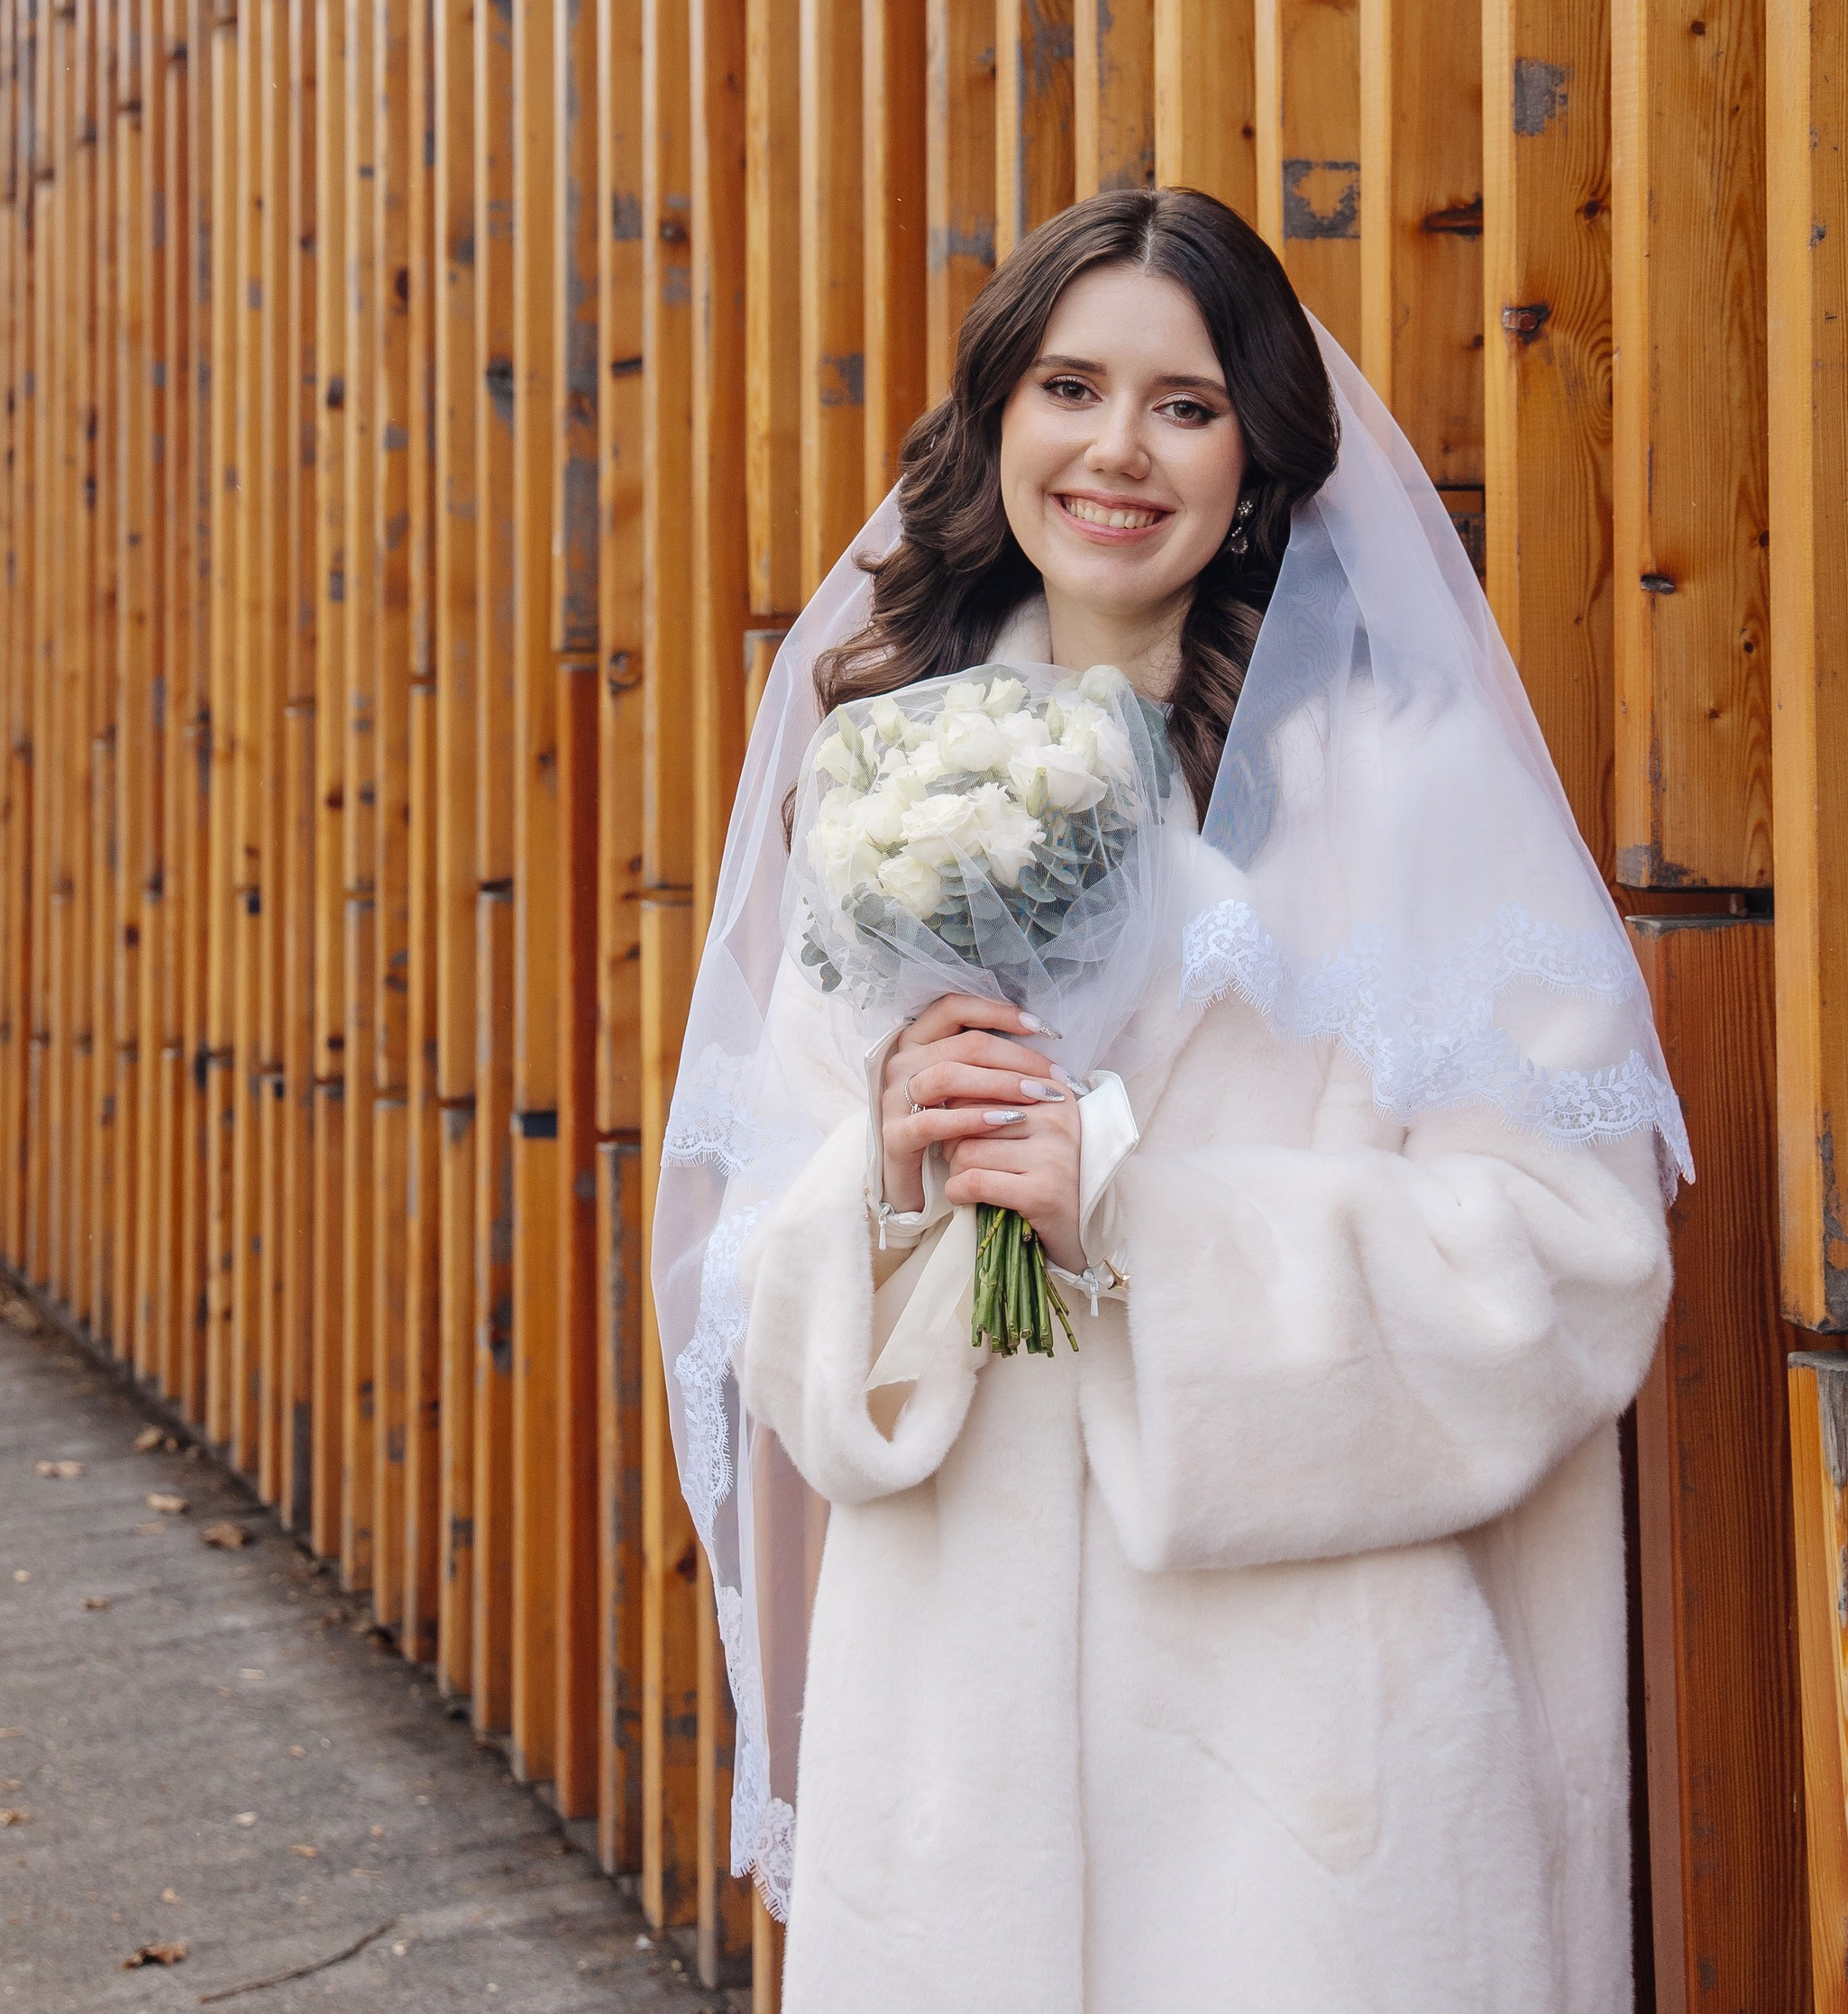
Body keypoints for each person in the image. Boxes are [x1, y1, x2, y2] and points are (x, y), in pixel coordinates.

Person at [654, 188, 1682, 2014]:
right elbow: (753, 1287)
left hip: (1305, 1779)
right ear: (995, 422)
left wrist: (1141, 1233)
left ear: (1256, 452)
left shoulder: (1400, 777)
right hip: (956, 1755)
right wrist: (888, 1183)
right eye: (1067, 386)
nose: (1116, 450)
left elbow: (1570, 1259)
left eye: (1183, 404)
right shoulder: (883, 775)